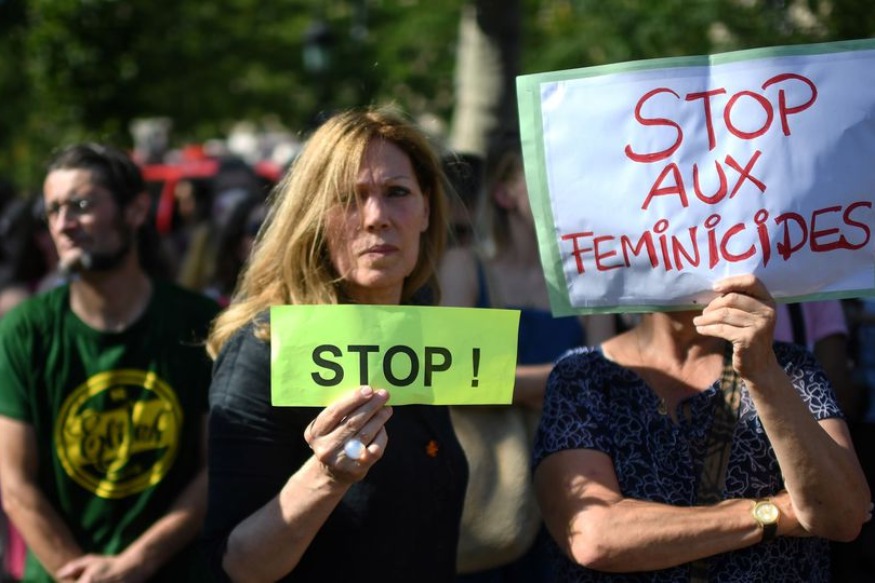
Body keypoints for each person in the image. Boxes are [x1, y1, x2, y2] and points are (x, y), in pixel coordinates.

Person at [202, 107, 468, 582]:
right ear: (314, 217)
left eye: (397, 193)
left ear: (426, 208)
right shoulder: (266, 348)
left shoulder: (421, 325)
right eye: (349, 198)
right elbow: (235, 563)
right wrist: (327, 477)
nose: (376, 217)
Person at [533, 274, 872, 582]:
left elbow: (842, 515)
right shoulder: (582, 377)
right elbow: (595, 535)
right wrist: (774, 514)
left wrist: (763, 371)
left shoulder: (791, 368)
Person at [0, 143, 220, 582]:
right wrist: (81, 575)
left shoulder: (197, 323)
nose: (64, 225)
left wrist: (133, 565)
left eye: (81, 206)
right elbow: (15, 485)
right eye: (53, 210)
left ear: (136, 210)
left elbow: (216, 470)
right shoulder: (24, 330)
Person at [439, 136, 615, 581]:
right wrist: (562, 377)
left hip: (576, 478)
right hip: (490, 480)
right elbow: (454, 377)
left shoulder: (585, 274)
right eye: (543, 178)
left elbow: (603, 374)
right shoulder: (463, 265)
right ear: (504, 193)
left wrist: (508, 382)